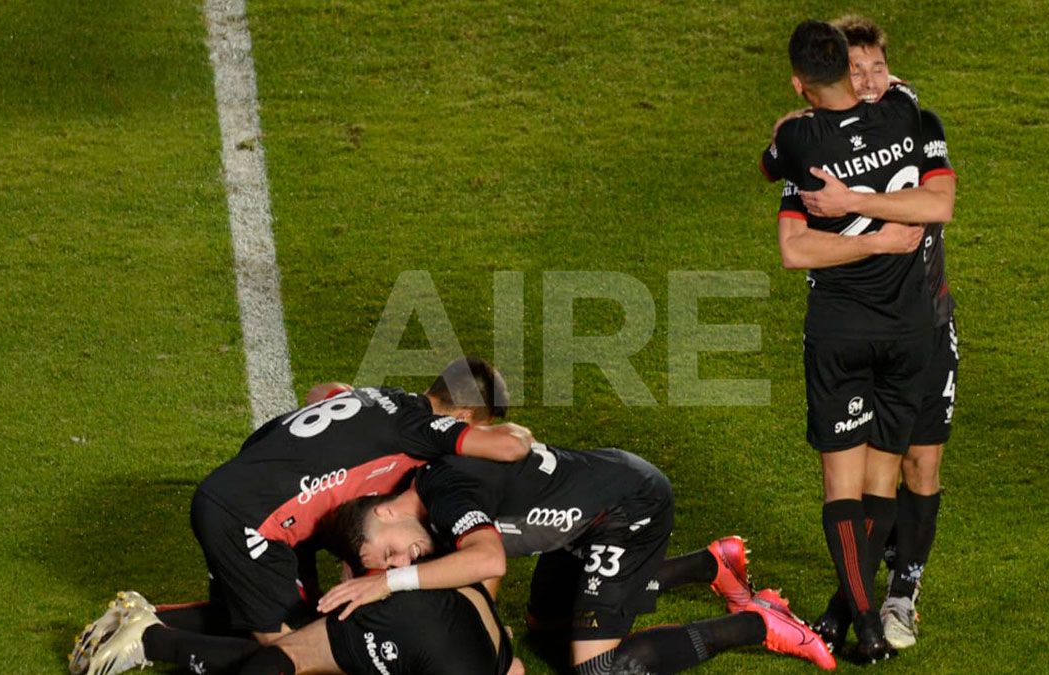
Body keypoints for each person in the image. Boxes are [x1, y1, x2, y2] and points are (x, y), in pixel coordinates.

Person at [71, 357, 532, 675]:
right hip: (253, 521)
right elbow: (510, 446)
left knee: (301, 616)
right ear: (467, 416)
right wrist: (519, 434)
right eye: (478, 428)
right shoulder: (422, 426)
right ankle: (146, 641)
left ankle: (140, 617)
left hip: (239, 497)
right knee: (291, 653)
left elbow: (321, 393)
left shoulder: (380, 397)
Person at [762, 19, 956, 662]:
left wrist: (850, 204)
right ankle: (858, 608)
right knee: (880, 480)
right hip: (906, 332)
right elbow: (930, 200)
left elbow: (779, 190)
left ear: (799, 83)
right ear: (851, 73)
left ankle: (866, 615)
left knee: (848, 486)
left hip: (849, 332)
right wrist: (878, 232)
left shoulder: (798, 139)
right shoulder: (908, 112)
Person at [317, 446, 838, 673]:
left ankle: (757, 620)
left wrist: (390, 584)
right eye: (386, 564)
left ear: (385, 511)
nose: (399, 560)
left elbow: (488, 562)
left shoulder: (446, 494)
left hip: (626, 510)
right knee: (546, 629)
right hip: (585, 515)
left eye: (389, 551)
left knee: (599, 671)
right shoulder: (422, 511)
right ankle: (712, 564)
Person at [827, 14, 959, 651]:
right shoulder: (822, 142)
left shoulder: (919, 125)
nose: (871, 80)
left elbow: (939, 204)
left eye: (879, 67)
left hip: (926, 327)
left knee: (918, 462)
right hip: (857, 329)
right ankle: (851, 597)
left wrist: (854, 202)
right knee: (860, 476)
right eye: (857, 71)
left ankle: (902, 591)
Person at [82, 584, 523, 675]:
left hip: (425, 596)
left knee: (291, 650)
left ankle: (152, 631)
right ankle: (151, 637)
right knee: (293, 655)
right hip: (416, 627)